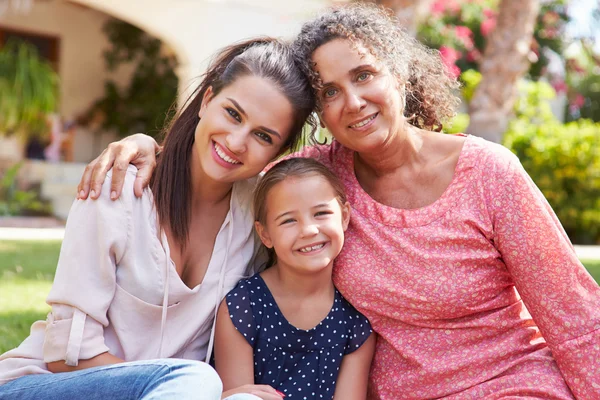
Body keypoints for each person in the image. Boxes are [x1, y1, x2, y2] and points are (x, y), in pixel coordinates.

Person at [75, 4, 600, 399]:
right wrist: (150, 148)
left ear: (398, 74)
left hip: (511, 384)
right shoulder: (319, 179)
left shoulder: (489, 174)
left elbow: (577, 320)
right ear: (319, 114)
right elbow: (232, 156)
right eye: (328, 91)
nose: (351, 101)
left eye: (364, 75)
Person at [0, 37, 317, 400]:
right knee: (199, 382)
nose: (236, 141)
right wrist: (181, 385)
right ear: (208, 100)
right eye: (233, 113)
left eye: (263, 135)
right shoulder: (117, 186)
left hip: (178, 391)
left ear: (279, 152)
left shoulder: (257, 218)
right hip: (40, 386)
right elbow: (64, 356)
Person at [215, 158, 375, 400]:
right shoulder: (243, 306)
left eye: (321, 213)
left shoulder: (355, 321)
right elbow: (236, 396)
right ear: (265, 234)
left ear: (344, 217)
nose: (309, 230)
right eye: (289, 220)